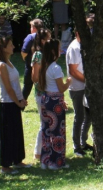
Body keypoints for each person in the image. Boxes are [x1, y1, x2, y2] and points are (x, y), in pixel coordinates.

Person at [0, 36, 30, 175]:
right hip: (7, 104)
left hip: (14, 102)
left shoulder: (8, 62)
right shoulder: (1, 65)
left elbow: (15, 85)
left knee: (16, 133)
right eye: (10, 45)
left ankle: (17, 160)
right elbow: (8, 88)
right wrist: (18, 102)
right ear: (3, 48)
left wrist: (22, 100)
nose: (13, 46)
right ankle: (5, 166)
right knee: (8, 135)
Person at [38, 39, 71, 170]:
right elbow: (61, 88)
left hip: (46, 99)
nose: (60, 50)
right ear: (53, 51)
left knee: (46, 131)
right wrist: (68, 82)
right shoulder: (55, 68)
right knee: (57, 131)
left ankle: (45, 160)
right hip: (55, 102)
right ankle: (56, 162)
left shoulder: (44, 66)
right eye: (58, 48)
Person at [66, 30, 92, 157]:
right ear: (77, 33)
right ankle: (77, 146)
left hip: (85, 86)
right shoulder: (75, 47)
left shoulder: (83, 45)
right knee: (80, 117)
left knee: (89, 116)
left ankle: (83, 142)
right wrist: (88, 81)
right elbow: (73, 70)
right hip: (77, 88)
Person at [30, 28, 52, 160]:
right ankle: (38, 152)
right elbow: (34, 78)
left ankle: (45, 150)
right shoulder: (38, 55)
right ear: (43, 41)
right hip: (41, 93)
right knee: (44, 123)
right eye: (49, 38)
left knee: (47, 122)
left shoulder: (46, 54)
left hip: (47, 92)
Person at [21, 18, 44, 100]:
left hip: (31, 65)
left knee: (27, 85)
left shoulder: (30, 37)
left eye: (31, 27)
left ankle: (21, 104)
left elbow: (24, 51)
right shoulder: (46, 35)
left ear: (34, 28)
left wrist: (25, 59)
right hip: (44, 65)